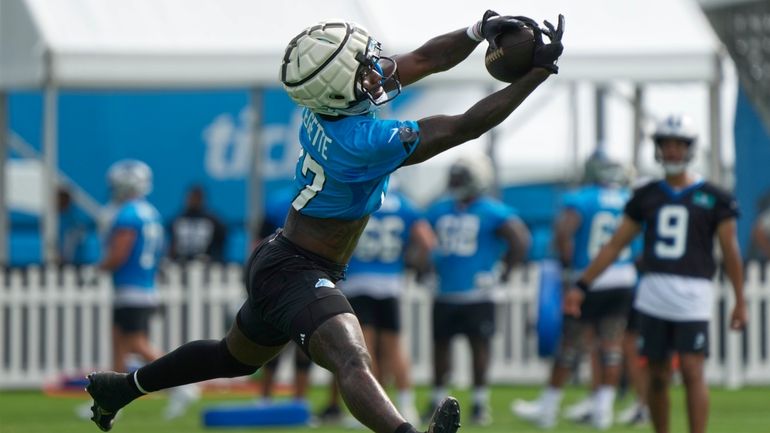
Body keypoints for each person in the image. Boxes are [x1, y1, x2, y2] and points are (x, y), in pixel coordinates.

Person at [86, 11, 565, 433]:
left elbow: (422, 59)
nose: (374, 66)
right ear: (342, 84)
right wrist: (536, 73)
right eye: (362, 65)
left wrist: (477, 29)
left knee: (231, 357)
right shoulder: (362, 140)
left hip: (284, 259)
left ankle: (120, 389)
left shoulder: (328, 107)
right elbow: (463, 126)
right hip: (297, 268)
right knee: (351, 357)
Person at [563, 114, 747, 433]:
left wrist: (740, 300)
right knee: (658, 373)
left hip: (694, 294)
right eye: (666, 144)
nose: (673, 151)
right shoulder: (646, 196)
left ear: (689, 149)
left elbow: (731, 252)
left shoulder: (715, 198)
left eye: (679, 144)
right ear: (658, 149)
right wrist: (582, 284)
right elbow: (615, 245)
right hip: (653, 294)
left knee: (692, 369)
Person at [512, 151, 638, 430]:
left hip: (589, 277)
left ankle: (548, 407)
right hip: (623, 277)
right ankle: (603, 410)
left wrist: (567, 266)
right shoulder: (629, 200)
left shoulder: (581, 199)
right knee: (612, 345)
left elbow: (563, 233)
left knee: (569, 345)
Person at [424, 154, 532, 426]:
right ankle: (437, 400)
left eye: (461, 177)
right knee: (440, 347)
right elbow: (420, 240)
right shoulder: (440, 209)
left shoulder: (491, 210)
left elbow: (520, 239)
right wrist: (424, 270)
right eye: (454, 177)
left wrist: (503, 271)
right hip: (445, 291)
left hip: (478, 293)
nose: (455, 182)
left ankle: (480, 404)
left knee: (479, 348)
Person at [320, 186, 435, 425]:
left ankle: (369, 408)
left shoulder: (357, 199)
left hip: (358, 281)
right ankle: (406, 404)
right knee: (394, 347)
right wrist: (410, 262)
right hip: (391, 282)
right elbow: (426, 241)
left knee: (363, 347)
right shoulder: (405, 205)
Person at [97, 159, 199, 420]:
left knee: (135, 343)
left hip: (132, 287)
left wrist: (98, 268)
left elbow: (120, 253)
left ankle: (182, 384)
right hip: (143, 286)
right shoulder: (150, 212)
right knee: (119, 342)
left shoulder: (128, 214)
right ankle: (111, 399)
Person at [168, 184, 227, 263]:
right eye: (191, 197)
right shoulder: (178, 220)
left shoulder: (212, 221)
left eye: (197, 198)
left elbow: (221, 241)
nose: (193, 201)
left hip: (205, 264)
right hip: (181, 263)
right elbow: (172, 244)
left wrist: (215, 257)